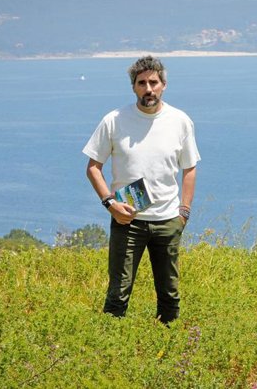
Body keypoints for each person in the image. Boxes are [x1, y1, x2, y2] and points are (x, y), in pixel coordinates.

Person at [83, 55, 200, 323]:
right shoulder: (114, 120)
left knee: (169, 293)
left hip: (168, 221)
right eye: (142, 83)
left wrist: (183, 213)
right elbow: (93, 167)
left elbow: (190, 168)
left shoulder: (180, 121)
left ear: (164, 85)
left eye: (154, 82)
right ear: (133, 87)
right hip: (128, 222)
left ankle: (170, 352)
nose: (149, 89)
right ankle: (109, 352)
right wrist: (110, 204)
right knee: (118, 294)